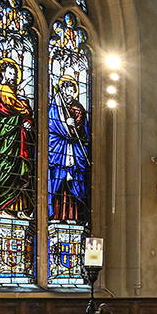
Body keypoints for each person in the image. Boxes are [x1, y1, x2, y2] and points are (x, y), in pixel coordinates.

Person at [0, 57, 34, 216]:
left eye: (15, 74)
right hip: (6, 135)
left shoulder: (10, 91)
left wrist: (26, 118)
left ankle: (18, 209)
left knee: (19, 170)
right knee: (8, 169)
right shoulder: (3, 89)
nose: (13, 77)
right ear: (3, 73)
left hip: (17, 135)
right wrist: (25, 104)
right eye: (10, 73)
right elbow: (20, 109)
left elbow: (22, 112)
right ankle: (3, 208)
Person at [47, 75, 89, 222]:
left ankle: (73, 216)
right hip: (59, 150)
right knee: (58, 180)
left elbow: (82, 131)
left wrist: (73, 125)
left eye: (72, 90)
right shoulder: (56, 105)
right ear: (62, 90)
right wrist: (64, 125)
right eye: (67, 90)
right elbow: (52, 124)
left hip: (74, 150)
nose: (69, 93)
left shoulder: (78, 109)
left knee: (74, 181)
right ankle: (56, 215)